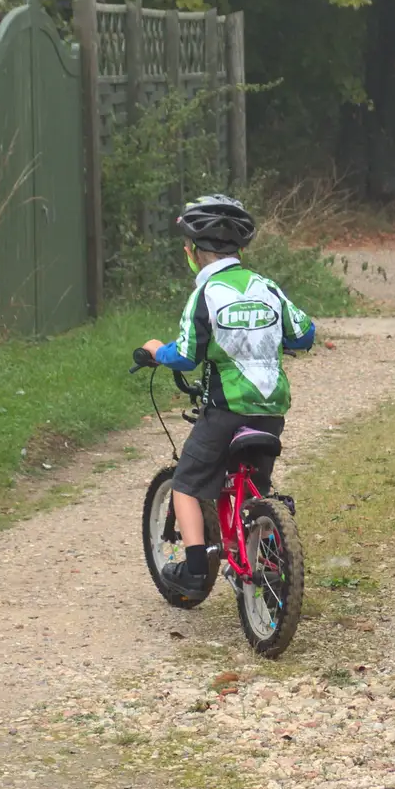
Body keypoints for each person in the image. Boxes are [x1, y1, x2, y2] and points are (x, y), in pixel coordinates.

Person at [140, 195, 316, 601]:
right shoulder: (265, 287)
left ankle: (196, 568)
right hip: (270, 412)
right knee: (256, 489)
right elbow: (304, 334)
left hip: (225, 412)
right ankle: (268, 558)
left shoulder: (204, 294)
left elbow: (185, 357)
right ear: (239, 249)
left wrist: (155, 351)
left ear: (192, 253)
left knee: (186, 481)